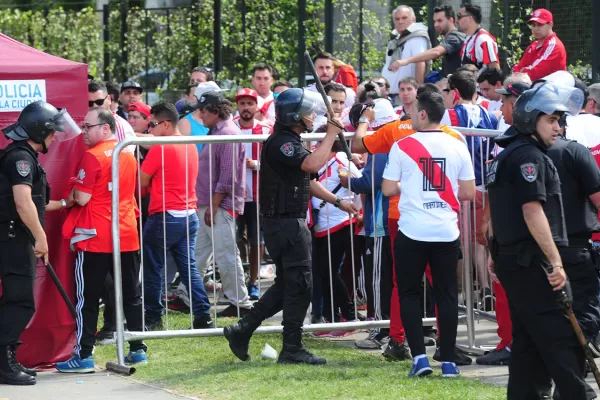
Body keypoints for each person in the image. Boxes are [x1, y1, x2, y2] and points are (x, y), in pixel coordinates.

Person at [223, 88, 357, 365]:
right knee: (301, 285)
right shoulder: (283, 143)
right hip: (286, 224)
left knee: (289, 284)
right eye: (308, 112)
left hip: (286, 222)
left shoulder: (290, 141)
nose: (311, 117)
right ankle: (291, 347)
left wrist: (337, 202)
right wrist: (331, 133)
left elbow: (306, 179)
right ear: (295, 115)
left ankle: (243, 329)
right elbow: (309, 165)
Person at [486, 81, 589, 398]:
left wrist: (494, 253)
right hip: (534, 264)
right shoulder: (530, 157)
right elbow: (532, 212)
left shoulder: (507, 156)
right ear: (531, 119)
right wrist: (556, 262)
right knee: (560, 338)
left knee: (528, 342)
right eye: (552, 120)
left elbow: (497, 216)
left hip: (514, 261)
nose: (558, 127)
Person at [381, 90, 476, 378]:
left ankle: (420, 359)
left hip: (412, 231)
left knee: (409, 294)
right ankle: (448, 362)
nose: (409, 115)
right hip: (446, 231)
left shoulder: (403, 145)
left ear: (423, 114)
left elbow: (387, 188)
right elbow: (469, 192)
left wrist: (408, 188)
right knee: (446, 295)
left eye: (412, 111)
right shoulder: (458, 143)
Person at [56, 108, 147, 372]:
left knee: (88, 297)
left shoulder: (92, 156)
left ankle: (83, 356)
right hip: (127, 234)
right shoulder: (127, 151)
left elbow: (81, 198)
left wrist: (71, 193)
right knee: (131, 295)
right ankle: (138, 349)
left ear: (105, 128)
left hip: (95, 237)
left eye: (87, 127)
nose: (83, 132)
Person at [0, 101, 79, 385]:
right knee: (20, 301)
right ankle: (3, 365)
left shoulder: (24, 156)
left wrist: (64, 203)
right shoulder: (20, 159)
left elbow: (35, 202)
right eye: (51, 132)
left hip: (15, 237)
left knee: (17, 300)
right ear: (38, 131)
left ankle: (6, 359)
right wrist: (41, 237)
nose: (55, 136)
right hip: (14, 238)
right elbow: (22, 204)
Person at [140, 103, 213, 330]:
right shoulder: (189, 144)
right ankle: (203, 315)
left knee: (153, 268)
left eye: (152, 124)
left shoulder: (161, 147)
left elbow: (141, 181)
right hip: (188, 215)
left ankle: (153, 318)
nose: (150, 130)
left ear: (165, 124)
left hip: (164, 214)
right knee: (188, 268)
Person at [392, 5, 465, 77]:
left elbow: (436, 52)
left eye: (440, 21)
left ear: (451, 20)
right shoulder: (451, 37)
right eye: (435, 21)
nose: (436, 25)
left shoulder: (455, 37)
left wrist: (406, 61)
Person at [383, 5, 431, 93]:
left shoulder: (417, 37)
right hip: (391, 94)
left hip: (406, 95)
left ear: (413, 20)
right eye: (397, 19)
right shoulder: (395, 40)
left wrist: (418, 92)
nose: (400, 22)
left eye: (404, 18)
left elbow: (420, 61)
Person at [512, 9, 566, 82]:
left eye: (540, 25)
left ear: (550, 25)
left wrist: (522, 71)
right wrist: (523, 71)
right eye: (533, 25)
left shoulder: (554, 45)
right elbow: (516, 69)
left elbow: (535, 73)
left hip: (551, 90)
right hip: (535, 88)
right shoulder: (533, 46)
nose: (536, 29)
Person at [457, 3, 500, 70]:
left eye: (459, 16)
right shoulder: (468, 38)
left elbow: (494, 70)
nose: (457, 20)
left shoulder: (483, 40)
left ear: (470, 18)